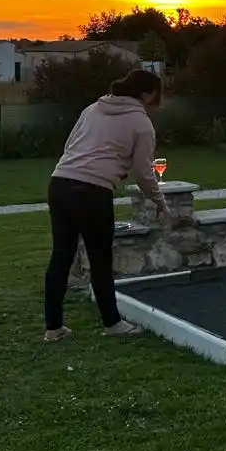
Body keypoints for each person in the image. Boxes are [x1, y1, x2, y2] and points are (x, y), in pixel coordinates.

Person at [43, 68, 170, 341]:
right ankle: (113, 324)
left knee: (61, 255)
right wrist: (159, 200)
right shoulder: (141, 123)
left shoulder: (92, 109)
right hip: (92, 191)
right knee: (100, 259)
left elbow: (70, 146)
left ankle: (53, 328)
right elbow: (143, 171)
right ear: (147, 94)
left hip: (60, 183)